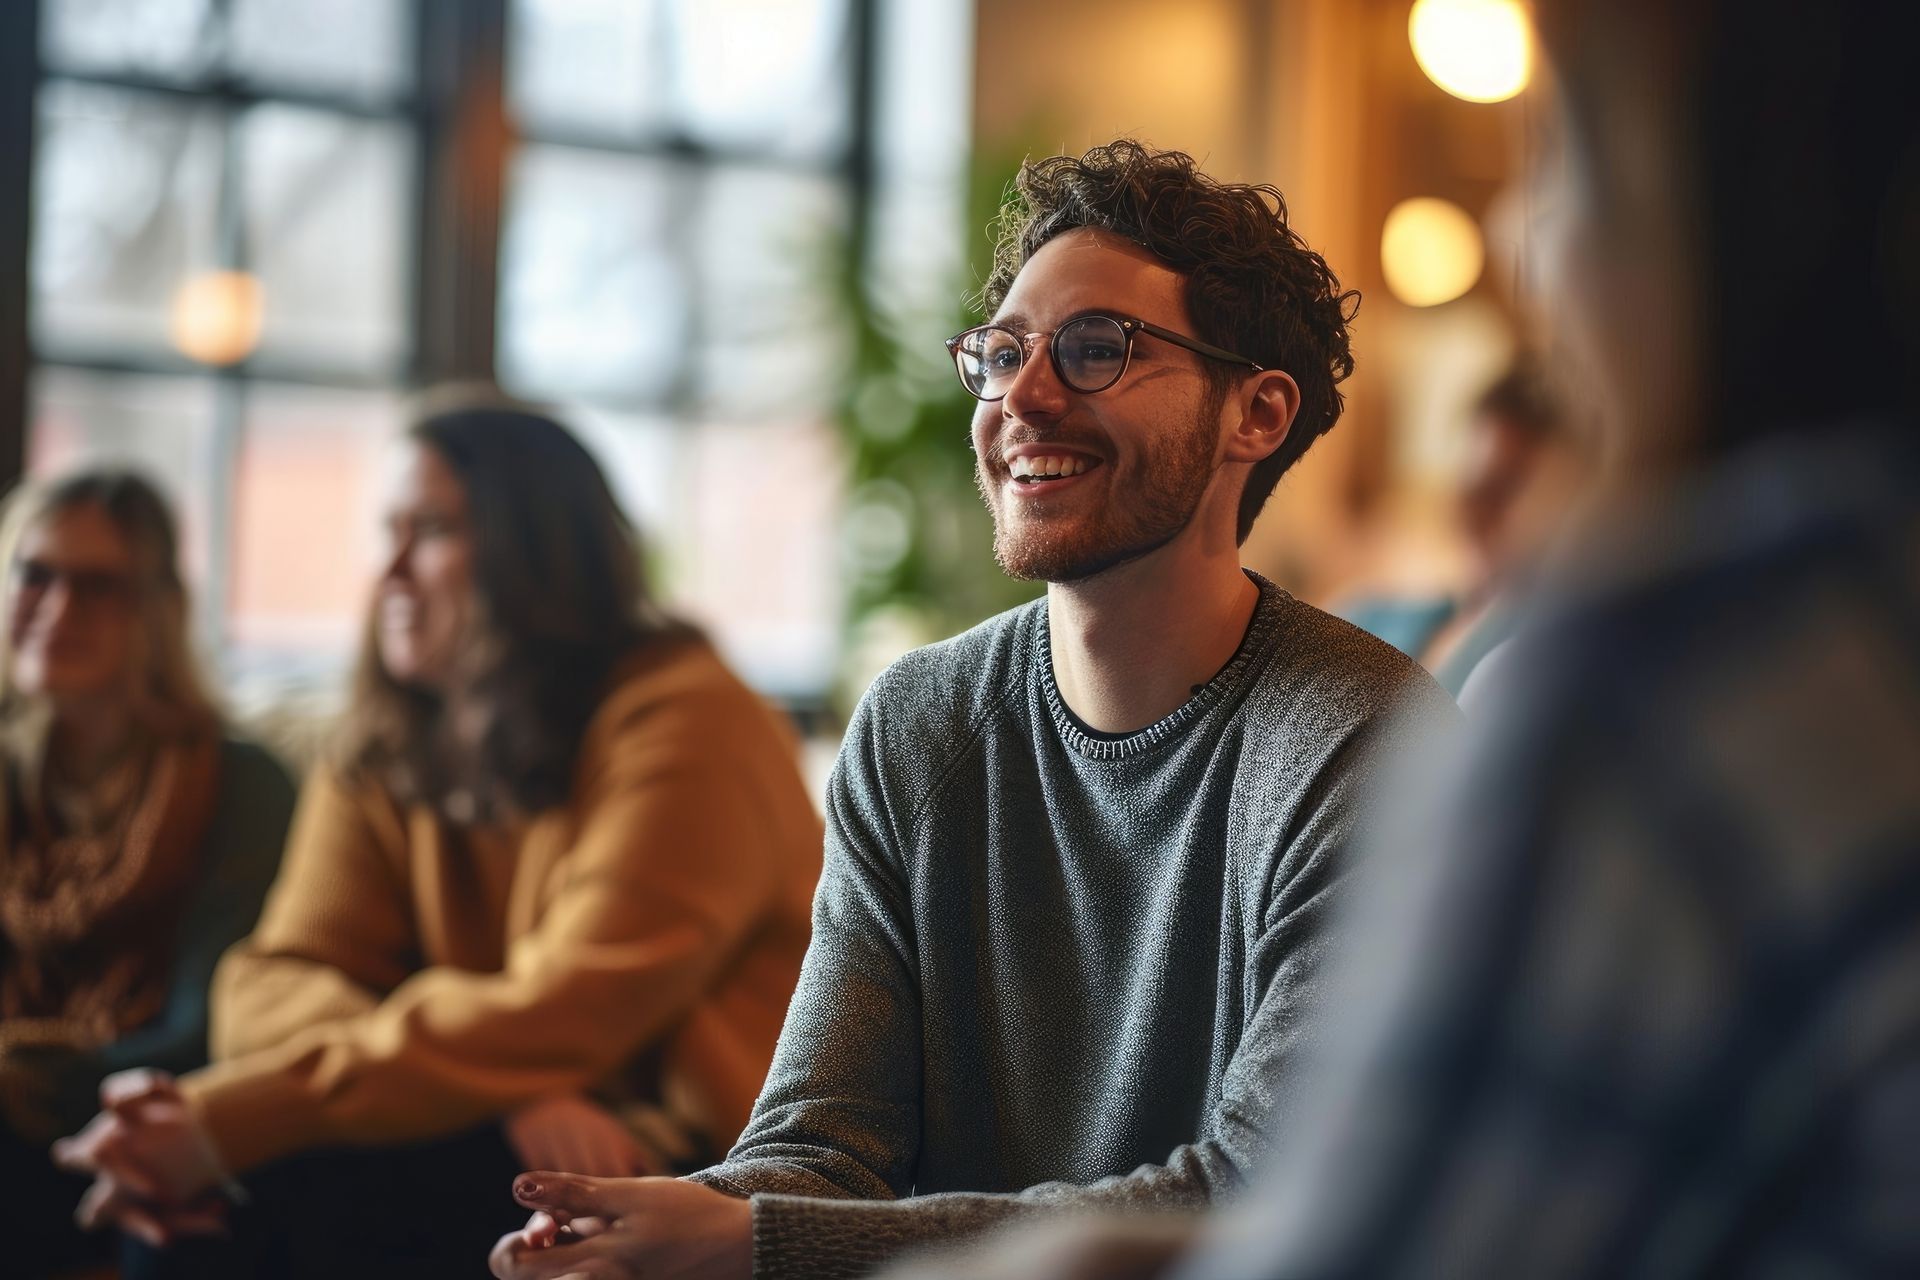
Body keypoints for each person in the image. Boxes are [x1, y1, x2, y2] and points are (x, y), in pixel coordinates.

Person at [892, 1, 1920, 1277]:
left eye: (1568, 155)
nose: (1523, 235)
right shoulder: (918, 715)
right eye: (998, 354)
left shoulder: (1663, 688)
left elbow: (1347, 1237)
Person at [488, 140, 1455, 1280]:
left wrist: (757, 1238)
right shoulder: (920, 722)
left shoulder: (1367, 739)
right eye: (1002, 354)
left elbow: (1259, 1193)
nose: (1025, 397)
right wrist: (652, 1229)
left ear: (1257, 412)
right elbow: (820, 1144)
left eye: (1098, 349)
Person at [55, 402, 824, 1278]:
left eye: (429, 532)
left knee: (254, 1188)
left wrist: (222, 1122)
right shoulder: (391, 734)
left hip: (685, 1161)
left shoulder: (690, 721)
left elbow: (568, 1007)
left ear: (538, 555)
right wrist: (514, 1090)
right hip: (509, 1118)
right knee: (198, 1212)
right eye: (386, 531)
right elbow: (267, 983)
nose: (387, 570)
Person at [0, 470, 294, 1278]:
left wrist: (29, 1078)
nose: (57, 610)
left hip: (150, 1115)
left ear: (158, 610)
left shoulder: (243, 785)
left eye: (98, 587)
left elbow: (209, 1021)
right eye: (35, 574)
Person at [1337, 358, 1585, 697]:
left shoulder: (1548, 661)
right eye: (1470, 482)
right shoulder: (1372, 619)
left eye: (1507, 487)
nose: (1474, 507)